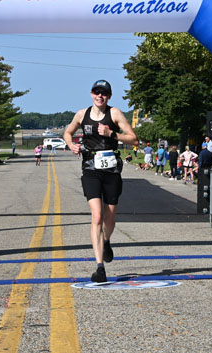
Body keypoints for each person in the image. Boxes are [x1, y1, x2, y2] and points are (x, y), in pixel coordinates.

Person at [63, 79, 138, 283]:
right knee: (97, 216)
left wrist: (112, 134)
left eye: (103, 93)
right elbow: (68, 132)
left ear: (109, 96)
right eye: (96, 92)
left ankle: (106, 240)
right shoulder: (82, 114)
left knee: (109, 217)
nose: (99, 96)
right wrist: (71, 144)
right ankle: (100, 267)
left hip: (111, 170)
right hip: (90, 170)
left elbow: (134, 139)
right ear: (91, 94)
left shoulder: (114, 114)